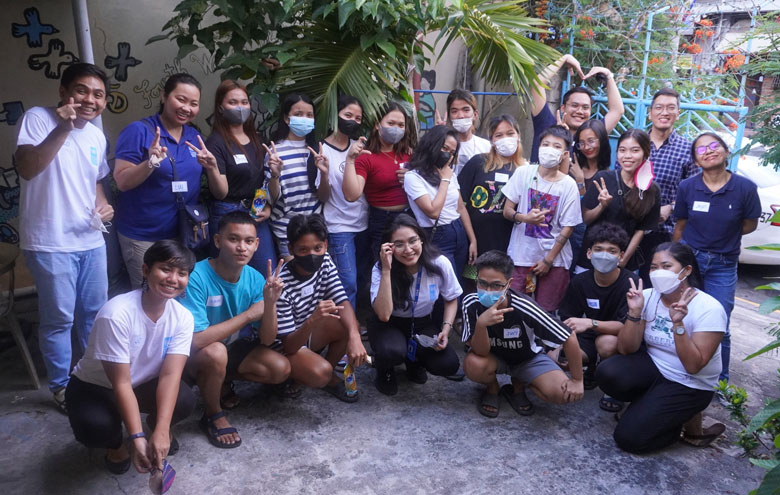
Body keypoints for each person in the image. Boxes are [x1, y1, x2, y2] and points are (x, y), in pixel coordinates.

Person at [14, 62, 114, 411]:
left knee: (95, 315)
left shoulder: (97, 135)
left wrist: (104, 206)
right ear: (64, 91)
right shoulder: (39, 119)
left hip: (90, 239)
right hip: (49, 240)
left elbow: (96, 181)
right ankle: (61, 386)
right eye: (83, 90)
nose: (90, 100)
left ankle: (92, 377)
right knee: (59, 319)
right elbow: (27, 167)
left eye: (99, 94)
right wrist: (63, 127)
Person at [65, 240, 196, 474]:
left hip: (139, 383)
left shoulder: (183, 318)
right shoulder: (117, 314)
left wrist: (162, 429)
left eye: (182, 273)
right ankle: (116, 446)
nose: (173, 279)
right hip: (95, 387)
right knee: (95, 427)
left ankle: (154, 429)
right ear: (146, 270)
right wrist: (136, 438)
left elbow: (170, 375)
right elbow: (120, 383)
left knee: (184, 399)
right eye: (165, 269)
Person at [596, 242, 727, 453]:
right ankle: (651, 408)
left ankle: (677, 425)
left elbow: (694, 366)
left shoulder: (709, 308)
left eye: (667, 266)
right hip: (656, 367)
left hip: (690, 383)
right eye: (654, 267)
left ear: (686, 270)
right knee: (609, 372)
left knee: (629, 439)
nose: (658, 273)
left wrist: (678, 324)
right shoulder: (647, 296)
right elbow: (626, 349)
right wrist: (635, 313)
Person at [179, 211, 290, 449]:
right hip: (188, 358)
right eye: (233, 239)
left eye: (249, 241)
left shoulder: (254, 278)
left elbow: (268, 338)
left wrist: (270, 304)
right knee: (215, 351)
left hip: (228, 350)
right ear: (218, 241)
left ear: (257, 245)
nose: (242, 247)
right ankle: (213, 414)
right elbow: (196, 341)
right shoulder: (196, 277)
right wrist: (249, 315)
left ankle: (220, 381)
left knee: (279, 369)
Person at [114, 73, 219, 288]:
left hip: (183, 235)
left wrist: (212, 166)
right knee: (148, 294)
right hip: (143, 236)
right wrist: (150, 163)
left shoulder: (194, 137)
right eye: (180, 99)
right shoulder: (139, 131)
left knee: (178, 294)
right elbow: (122, 181)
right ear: (164, 96)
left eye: (194, 104)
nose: (186, 108)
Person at [673, 132, 760, 384]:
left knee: (720, 322)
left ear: (726, 151)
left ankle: (718, 380)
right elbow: (680, 225)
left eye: (714, 146)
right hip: (691, 262)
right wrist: (675, 257)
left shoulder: (745, 188)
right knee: (682, 315)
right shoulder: (687, 187)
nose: (708, 151)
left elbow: (749, 224)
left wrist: (723, 236)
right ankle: (678, 369)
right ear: (696, 160)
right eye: (701, 149)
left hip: (724, 264)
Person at [462, 250, 584, 417]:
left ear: (509, 283)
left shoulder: (525, 307)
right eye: (482, 283)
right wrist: (482, 324)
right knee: (473, 364)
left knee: (563, 394)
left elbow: (568, 336)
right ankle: (492, 388)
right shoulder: (471, 302)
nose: (488, 290)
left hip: (528, 359)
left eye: (496, 285)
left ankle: (519, 387)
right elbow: (479, 351)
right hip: (492, 358)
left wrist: (577, 380)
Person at [262, 214, 369, 401]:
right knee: (320, 373)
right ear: (291, 249)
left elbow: (342, 300)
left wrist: (355, 336)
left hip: (309, 333)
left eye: (318, 248)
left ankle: (322, 373)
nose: (312, 255)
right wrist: (313, 319)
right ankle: (313, 375)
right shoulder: (281, 284)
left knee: (350, 325)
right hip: (285, 347)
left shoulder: (325, 260)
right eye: (303, 250)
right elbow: (289, 345)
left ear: (325, 245)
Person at [369, 214, 461, 395]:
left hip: (421, 322)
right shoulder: (380, 269)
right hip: (389, 324)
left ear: (422, 239)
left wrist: (446, 329)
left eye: (413, 241)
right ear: (389, 247)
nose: (408, 249)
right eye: (399, 244)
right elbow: (383, 315)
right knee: (391, 351)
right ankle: (384, 369)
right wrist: (387, 270)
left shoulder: (439, 263)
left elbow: (451, 299)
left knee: (448, 364)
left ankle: (414, 361)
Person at [501, 126, 582, 313]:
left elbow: (568, 227)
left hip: (555, 260)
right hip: (521, 255)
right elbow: (507, 210)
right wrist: (524, 218)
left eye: (556, 146)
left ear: (564, 154)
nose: (549, 149)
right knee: (515, 307)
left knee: (545, 312)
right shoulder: (523, 173)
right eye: (546, 144)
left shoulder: (568, 185)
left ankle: (542, 343)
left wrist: (548, 260)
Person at [557, 223, 637, 412]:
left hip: (618, 338)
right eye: (598, 249)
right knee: (559, 358)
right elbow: (567, 318)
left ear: (621, 256)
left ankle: (613, 387)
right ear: (589, 253)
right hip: (588, 333)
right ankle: (591, 370)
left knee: (607, 344)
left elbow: (627, 326)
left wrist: (590, 322)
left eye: (612, 251)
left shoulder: (630, 283)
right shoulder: (579, 282)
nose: (604, 255)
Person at [204, 79, 277, 272]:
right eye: (233, 103)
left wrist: (267, 206)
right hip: (227, 212)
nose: (240, 107)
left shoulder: (257, 139)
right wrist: (212, 168)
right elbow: (220, 193)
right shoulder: (216, 142)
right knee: (227, 274)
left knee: (266, 271)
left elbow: (263, 181)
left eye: (244, 102)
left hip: (255, 212)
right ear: (220, 107)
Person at [637, 88, 699, 285]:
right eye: (659, 107)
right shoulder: (635, 144)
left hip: (665, 233)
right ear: (650, 112)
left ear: (678, 113)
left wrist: (672, 206)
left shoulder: (687, 150)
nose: (664, 112)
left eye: (671, 108)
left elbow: (694, 193)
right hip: (632, 228)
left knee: (658, 286)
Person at [577, 129, 661, 273]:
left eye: (635, 150)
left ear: (645, 154)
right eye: (622, 150)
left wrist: (623, 261)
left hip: (624, 262)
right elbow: (585, 218)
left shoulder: (651, 189)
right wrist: (601, 206)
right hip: (593, 258)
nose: (627, 156)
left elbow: (641, 230)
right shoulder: (603, 178)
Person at [342, 101, 416, 259]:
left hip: (409, 216)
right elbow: (352, 195)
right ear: (377, 125)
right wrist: (350, 160)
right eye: (390, 123)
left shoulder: (409, 153)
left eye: (401, 125)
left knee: (409, 265)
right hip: (382, 220)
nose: (396, 128)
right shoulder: (366, 156)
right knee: (384, 266)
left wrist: (413, 176)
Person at [404, 125, 478, 281]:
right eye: (444, 148)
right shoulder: (413, 177)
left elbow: (460, 207)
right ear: (433, 145)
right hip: (437, 235)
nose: (448, 156)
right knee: (443, 284)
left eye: (452, 152)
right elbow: (432, 211)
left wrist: (473, 240)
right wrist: (445, 180)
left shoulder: (448, 173)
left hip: (458, 231)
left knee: (458, 283)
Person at [458, 114, 524, 287]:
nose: (505, 139)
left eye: (510, 133)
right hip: (476, 243)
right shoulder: (478, 163)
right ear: (492, 140)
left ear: (518, 136)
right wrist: (471, 239)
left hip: (509, 246)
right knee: (473, 287)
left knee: (500, 289)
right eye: (499, 135)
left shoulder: (526, 170)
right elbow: (460, 203)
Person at [317, 95, 370, 310]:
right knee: (346, 283)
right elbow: (322, 196)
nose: (353, 121)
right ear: (335, 115)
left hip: (364, 224)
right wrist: (323, 173)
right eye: (348, 115)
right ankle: (346, 332)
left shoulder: (359, 147)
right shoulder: (322, 149)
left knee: (360, 279)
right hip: (339, 226)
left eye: (358, 118)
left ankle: (352, 323)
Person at [263, 93, 326, 259]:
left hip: (315, 230)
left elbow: (323, 196)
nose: (304, 119)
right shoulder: (275, 152)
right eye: (298, 114)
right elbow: (272, 198)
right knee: (295, 281)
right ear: (286, 118)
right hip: (287, 232)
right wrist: (275, 175)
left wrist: (325, 173)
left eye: (309, 115)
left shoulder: (318, 151)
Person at [529, 54, 624, 163]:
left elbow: (617, 111)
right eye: (574, 105)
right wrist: (564, 59)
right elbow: (537, 85)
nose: (579, 111)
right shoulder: (546, 124)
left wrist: (608, 75)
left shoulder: (592, 133)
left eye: (585, 107)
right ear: (563, 108)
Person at [569, 119, 612, 270]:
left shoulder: (608, 175)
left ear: (602, 141)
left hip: (591, 243)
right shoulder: (571, 168)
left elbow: (586, 214)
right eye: (581, 143)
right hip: (566, 239)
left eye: (591, 141)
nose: (586, 147)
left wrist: (580, 182)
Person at [434, 89, 491, 175]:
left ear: (475, 115)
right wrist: (437, 135)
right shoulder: (441, 144)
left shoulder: (486, 147)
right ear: (450, 116)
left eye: (466, 110)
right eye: (454, 111)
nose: (461, 116)